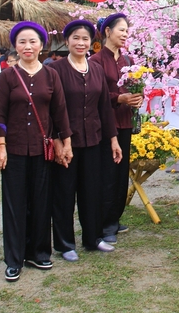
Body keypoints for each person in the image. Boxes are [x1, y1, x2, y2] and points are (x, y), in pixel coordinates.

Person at [0, 21, 73, 283]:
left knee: (41, 201)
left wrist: (66, 142)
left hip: (42, 149)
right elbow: (0, 115)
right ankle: (14, 259)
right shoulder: (6, 77)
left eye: (33, 41)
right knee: (15, 204)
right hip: (14, 149)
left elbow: (59, 112)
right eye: (22, 42)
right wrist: (1, 146)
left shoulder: (51, 76)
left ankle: (39, 252)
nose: (28, 47)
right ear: (15, 46)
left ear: (42, 45)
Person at [51, 20, 122, 261]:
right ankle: (65, 244)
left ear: (91, 42)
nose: (80, 43)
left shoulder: (97, 70)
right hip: (67, 141)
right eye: (75, 38)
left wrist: (113, 139)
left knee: (92, 190)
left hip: (94, 139)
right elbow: (52, 109)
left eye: (85, 39)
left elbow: (104, 108)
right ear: (67, 41)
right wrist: (58, 140)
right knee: (64, 192)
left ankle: (93, 238)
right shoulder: (56, 70)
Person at [89, 13, 143, 244]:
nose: (125, 34)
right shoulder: (96, 61)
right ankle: (103, 222)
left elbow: (133, 85)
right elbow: (95, 95)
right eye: (121, 30)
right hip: (105, 124)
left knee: (121, 173)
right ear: (107, 31)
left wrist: (137, 97)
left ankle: (115, 217)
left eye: (127, 31)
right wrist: (118, 98)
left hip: (125, 122)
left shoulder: (128, 61)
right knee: (107, 173)